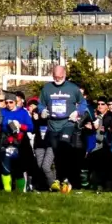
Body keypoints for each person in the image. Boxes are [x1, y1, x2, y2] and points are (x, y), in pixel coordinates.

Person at [36, 61, 88, 192]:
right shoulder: (47, 88)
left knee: (64, 147)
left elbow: (83, 103)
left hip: (67, 123)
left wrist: (77, 112)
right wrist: (42, 111)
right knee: (57, 153)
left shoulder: (73, 88)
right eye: (55, 76)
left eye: (60, 76)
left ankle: (67, 178)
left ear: (65, 74)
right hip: (53, 124)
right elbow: (40, 104)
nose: (57, 79)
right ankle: (58, 179)